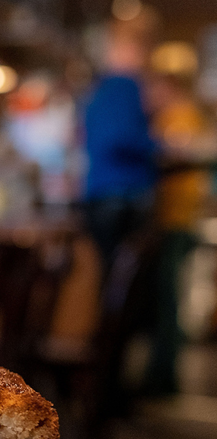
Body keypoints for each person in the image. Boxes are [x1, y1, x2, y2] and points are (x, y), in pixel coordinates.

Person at [143, 70, 215, 393]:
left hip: (174, 219)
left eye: (154, 88)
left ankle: (163, 377)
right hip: (178, 218)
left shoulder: (179, 115)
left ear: (167, 86)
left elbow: (176, 155)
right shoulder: (182, 115)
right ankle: (160, 373)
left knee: (167, 298)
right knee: (165, 297)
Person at [81, 13, 159, 269]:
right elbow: (119, 138)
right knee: (129, 286)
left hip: (98, 192)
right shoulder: (126, 84)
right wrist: (161, 145)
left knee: (110, 276)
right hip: (125, 194)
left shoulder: (97, 88)